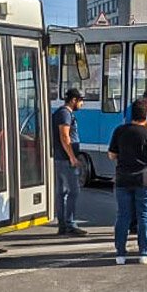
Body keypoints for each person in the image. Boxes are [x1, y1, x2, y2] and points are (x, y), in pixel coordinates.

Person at [108, 99, 147, 265]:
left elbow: (111, 155)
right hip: (144, 179)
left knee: (123, 216)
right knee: (145, 216)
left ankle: (120, 254)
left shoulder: (119, 131)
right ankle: (144, 253)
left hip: (123, 178)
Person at [52, 88, 88, 236]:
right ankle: (69, 223)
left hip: (62, 158)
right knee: (72, 191)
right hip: (65, 160)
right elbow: (65, 137)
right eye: (81, 101)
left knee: (63, 192)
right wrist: (72, 157)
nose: (82, 104)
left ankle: (63, 225)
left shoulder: (64, 113)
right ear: (73, 100)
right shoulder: (65, 114)